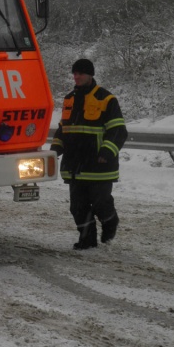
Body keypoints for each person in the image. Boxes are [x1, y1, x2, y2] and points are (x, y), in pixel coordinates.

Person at [51, 59, 127, 249]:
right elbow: (63, 130)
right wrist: (55, 151)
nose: (77, 77)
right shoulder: (69, 99)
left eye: (81, 73)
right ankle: (87, 240)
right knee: (78, 207)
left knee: (101, 204)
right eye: (75, 73)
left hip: (98, 165)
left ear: (90, 75)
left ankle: (110, 222)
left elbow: (118, 130)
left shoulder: (106, 99)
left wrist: (106, 152)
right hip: (75, 165)